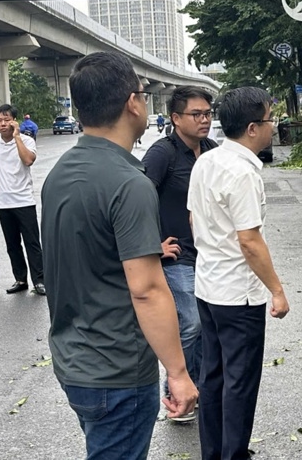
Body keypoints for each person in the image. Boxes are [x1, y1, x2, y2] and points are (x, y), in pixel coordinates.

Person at [41, 51, 198, 459]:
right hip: (118, 371)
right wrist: (178, 374)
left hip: (73, 360)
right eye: (145, 95)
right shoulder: (129, 182)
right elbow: (146, 289)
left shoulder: (60, 173)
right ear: (132, 102)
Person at [187, 86, 290, 460]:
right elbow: (249, 240)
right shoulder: (243, 172)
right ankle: (234, 454)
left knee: (213, 376)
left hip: (208, 287)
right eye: (269, 119)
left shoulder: (206, 161)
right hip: (238, 295)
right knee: (240, 382)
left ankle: (213, 453)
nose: (273, 126)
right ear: (251, 127)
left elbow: (193, 218)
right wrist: (276, 290)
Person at [142, 86, 218, 424]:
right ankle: (176, 394)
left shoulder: (212, 151)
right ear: (175, 118)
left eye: (207, 114)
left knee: (205, 326)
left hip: (209, 256)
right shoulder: (163, 154)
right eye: (196, 114)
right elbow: (138, 197)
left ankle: (196, 390)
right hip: (177, 257)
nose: (204, 120)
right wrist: (154, 242)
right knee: (189, 323)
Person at [0, 104, 44, 296]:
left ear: (14, 121)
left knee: (32, 243)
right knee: (12, 244)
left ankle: (40, 281)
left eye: (7, 120)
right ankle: (21, 279)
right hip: (3, 201)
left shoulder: (26, 140)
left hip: (24, 200)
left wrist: (16, 136)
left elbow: (28, 160)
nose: (2, 124)